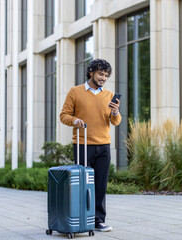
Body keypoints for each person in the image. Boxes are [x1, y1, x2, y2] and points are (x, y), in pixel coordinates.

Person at [60, 59, 121, 232]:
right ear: (91, 72)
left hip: (104, 145)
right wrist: (75, 120)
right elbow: (64, 115)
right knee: (82, 184)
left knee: (100, 185)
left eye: (106, 75)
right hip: (82, 144)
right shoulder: (75, 92)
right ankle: (80, 218)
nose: (103, 78)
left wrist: (115, 112)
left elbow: (115, 121)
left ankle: (98, 220)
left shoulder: (109, 95)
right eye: (101, 74)